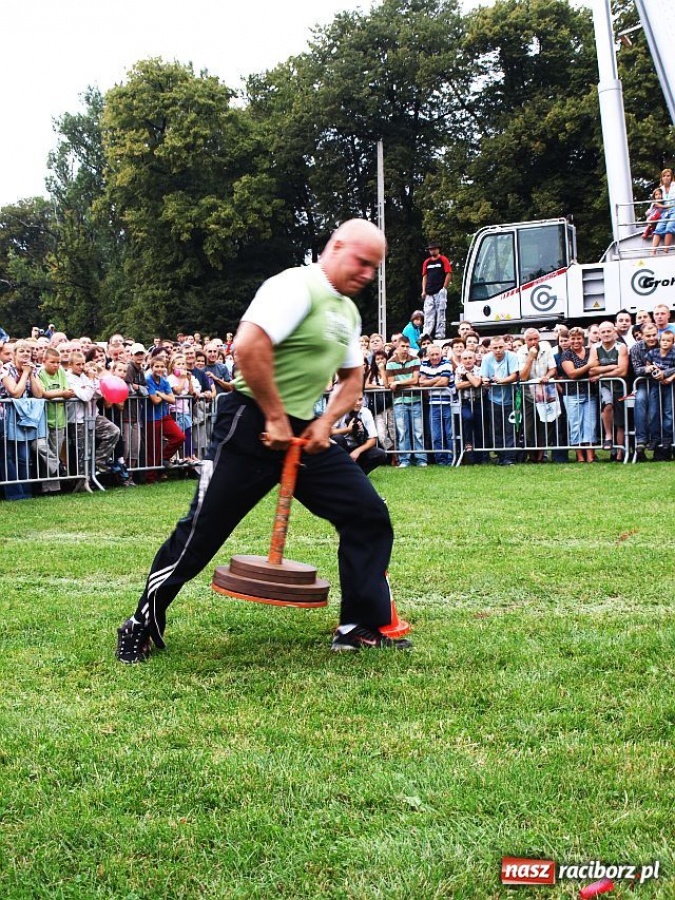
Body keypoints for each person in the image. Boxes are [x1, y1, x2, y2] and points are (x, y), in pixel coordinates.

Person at [116, 219, 411, 662]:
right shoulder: (295, 286)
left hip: (302, 433)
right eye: (362, 262)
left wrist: (325, 420)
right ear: (336, 246)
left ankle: (359, 625)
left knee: (367, 514)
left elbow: (352, 381)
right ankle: (143, 621)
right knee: (202, 533)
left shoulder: (347, 313)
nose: (368, 274)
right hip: (249, 421)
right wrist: (274, 414)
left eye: (375, 268)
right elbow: (249, 347)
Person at [517, 328, 557, 462]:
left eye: (535, 339)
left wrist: (547, 376)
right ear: (525, 340)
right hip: (528, 394)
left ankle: (541, 457)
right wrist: (530, 358)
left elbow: (553, 369)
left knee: (544, 426)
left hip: (545, 394)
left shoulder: (546, 347)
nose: (533, 342)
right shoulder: (521, 352)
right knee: (529, 428)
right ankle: (532, 456)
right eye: (530, 339)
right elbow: (523, 377)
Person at [385, 334, 425, 468]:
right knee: (402, 432)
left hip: (415, 399)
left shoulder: (415, 359)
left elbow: (415, 380)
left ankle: (420, 459)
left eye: (407, 346)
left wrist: (399, 382)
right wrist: (405, 384)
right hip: (399, 401)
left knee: (418, 432)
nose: (405, 349)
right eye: (403, 346)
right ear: (397, 346)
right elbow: (390, 385)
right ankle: (404, 460)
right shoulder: (390, 363)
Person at [590, 321, 629, 459]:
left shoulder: (621, 347)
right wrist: (613, 366)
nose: (606, 334)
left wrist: (601, 373)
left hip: (620, 386)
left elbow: (623, 370)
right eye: (603, 332)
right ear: (599, 334)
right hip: (605, 386)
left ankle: (620, 453)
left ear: (614, 332)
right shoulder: (595, 347)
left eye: (609, 331)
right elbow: (592, 369)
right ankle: (608, 436)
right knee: (607, 406)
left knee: (620, 420)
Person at [560, 326, 599, 463]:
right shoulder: (566, 354)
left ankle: (590, 456)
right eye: (573, 338)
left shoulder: (590, 351)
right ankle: (580, 457)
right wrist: (589, 366)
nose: (576, 341)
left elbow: (596, 368)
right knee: (575, 425)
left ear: (583, 339)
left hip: (590, 393)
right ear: (569, 340)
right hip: (571, 394)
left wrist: (596, 372)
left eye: (579, 338)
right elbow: (572, 374)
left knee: (590, 425)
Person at [480, 336, 519, 465]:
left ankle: (509, 458)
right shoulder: (486, 358)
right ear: (490, 348)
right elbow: (483, 376)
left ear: (505, 347)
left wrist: (500, 381)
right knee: (495, 429)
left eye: (500, 347)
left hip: (511, 398)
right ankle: (500, 456)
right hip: (493, 399)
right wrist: (485, 381)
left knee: (510, 429)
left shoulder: (512, 356)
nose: (498, 350)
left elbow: (514, 376)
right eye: (495, 348)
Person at [331, 394, 387, 475]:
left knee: (380, 454)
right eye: (355, 400)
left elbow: (373, 438)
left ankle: (358, 474)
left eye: (360, 399)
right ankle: (340, 473)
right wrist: (347, 430)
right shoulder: (340, 411)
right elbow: (329, 431)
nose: (358, 403)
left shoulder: (366, 412)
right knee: (338, 438)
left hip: (358, 447)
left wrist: (358, 451)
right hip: (343, 447)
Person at [419, 343, 455, 465]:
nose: (435, 357)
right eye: (432, 355)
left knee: (450, 433)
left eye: (437, 354)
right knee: (436, 435)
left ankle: (452, 459)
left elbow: (444, 382)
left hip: (448, 403)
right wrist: (438, 378)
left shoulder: (447, 363)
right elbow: (421, 382)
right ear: (428, 355)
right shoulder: (424, 363)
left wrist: (430, 382)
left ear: (441, 354)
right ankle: (440, 460)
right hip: (433, 404)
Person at [630, 322, 660, 458]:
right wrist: (646, 369)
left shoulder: (663, 344)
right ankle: (641, 440)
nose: (652, 338)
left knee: (654, 408)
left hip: (660, 383)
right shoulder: (636, 348)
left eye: (654, 334)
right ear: (641, 336)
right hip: (643, 382)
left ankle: (654, 439)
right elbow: (636, 369)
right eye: (648, 335)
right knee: (640, 402)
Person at [645, 330, 675, 459]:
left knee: (668, 412)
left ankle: (667, 438)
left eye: (668, 341)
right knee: (653, 412)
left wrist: (670, 378)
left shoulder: (674, 354)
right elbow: (647, 364)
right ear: (659, 340)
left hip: (668, 387)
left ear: (673, 343)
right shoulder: (653, 353)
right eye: (663, 340)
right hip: (654, 386)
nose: (665, 343)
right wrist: (653, 370)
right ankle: (655, 438)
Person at [421, 242, 452, 340]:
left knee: (441, 312)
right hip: (429, 291)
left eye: (434, 249)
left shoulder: (443, 260)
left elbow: (448, 273)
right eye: (431, 249)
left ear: (438, 249)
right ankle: (427, 333)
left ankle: (440, 334)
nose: (432, 251)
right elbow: (424, 276)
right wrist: (424, 290)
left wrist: (444, 288)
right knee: (428, 313)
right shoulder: (427, 262)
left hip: (439, 290)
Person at [650, 169, 675, 254]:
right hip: (664, 211)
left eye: (668, 176)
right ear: (661, 178)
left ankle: (665, 251)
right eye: (664, 176)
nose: (666, 178)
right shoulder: (660, 189)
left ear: (671, 177)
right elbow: (656, 202)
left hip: (674, 211)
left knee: (669, 227)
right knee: (659, 228)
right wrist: (666, 206)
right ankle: (652, 252)